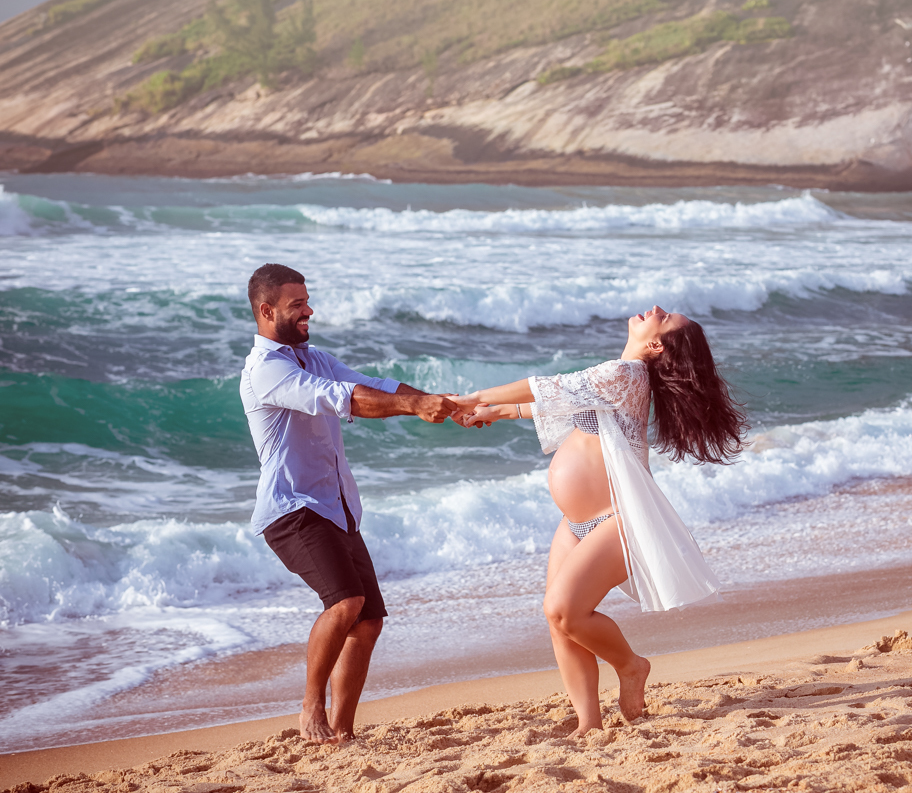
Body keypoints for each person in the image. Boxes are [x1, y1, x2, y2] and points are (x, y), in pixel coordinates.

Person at [452, 306, 747, 735]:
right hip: (576, 523)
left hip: (617, 520)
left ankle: (631, 665)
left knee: (563, 610)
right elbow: (567, 406)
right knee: (561, 624)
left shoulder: (625, 373)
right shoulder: (623, 378)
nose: (656, 310)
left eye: (664, 318)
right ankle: (589, 724)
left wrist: (472, 398)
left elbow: (548, 386)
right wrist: (497, 413)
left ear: (655, 344)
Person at [240, 263, 462, 744]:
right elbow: (346, 400)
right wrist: (414, 407)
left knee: (368, 622)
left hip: (335, 508)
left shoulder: (315, 357)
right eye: (296, 304)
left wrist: (439, 403)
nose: (309, 310)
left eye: (307, 300)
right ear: (266, 310)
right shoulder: (268, 371)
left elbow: (373, 384)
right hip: (292, 510)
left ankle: (342, 731)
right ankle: (310, 708)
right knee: (345, 603)